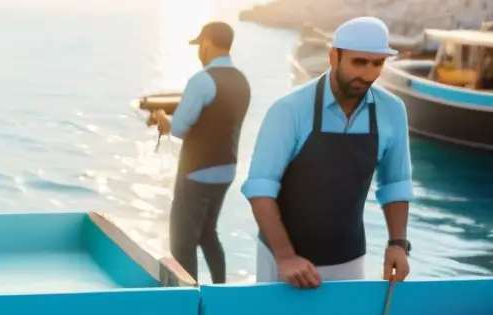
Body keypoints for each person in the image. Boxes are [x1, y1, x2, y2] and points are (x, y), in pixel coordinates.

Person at [241, 17, 412, 288]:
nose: (368, 74)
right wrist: (285, 257)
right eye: (358, 62)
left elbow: (395, 184)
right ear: (334, 57)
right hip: (283, 260)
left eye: (377, 63)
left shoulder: (392, 111)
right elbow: (261, 189)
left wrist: (398, 245)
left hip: (349, 258)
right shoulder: (289, 110)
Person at [151, 21, 251, 284]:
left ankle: (189, 298)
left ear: (206, 43)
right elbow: (218, 116)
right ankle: (220, 288)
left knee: (182, 243)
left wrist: (161, 115)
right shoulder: (241, 80)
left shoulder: (202, 80)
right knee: (208, 233)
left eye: (199, 46)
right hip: (226, 170)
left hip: (197, 173)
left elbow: (180, 128)